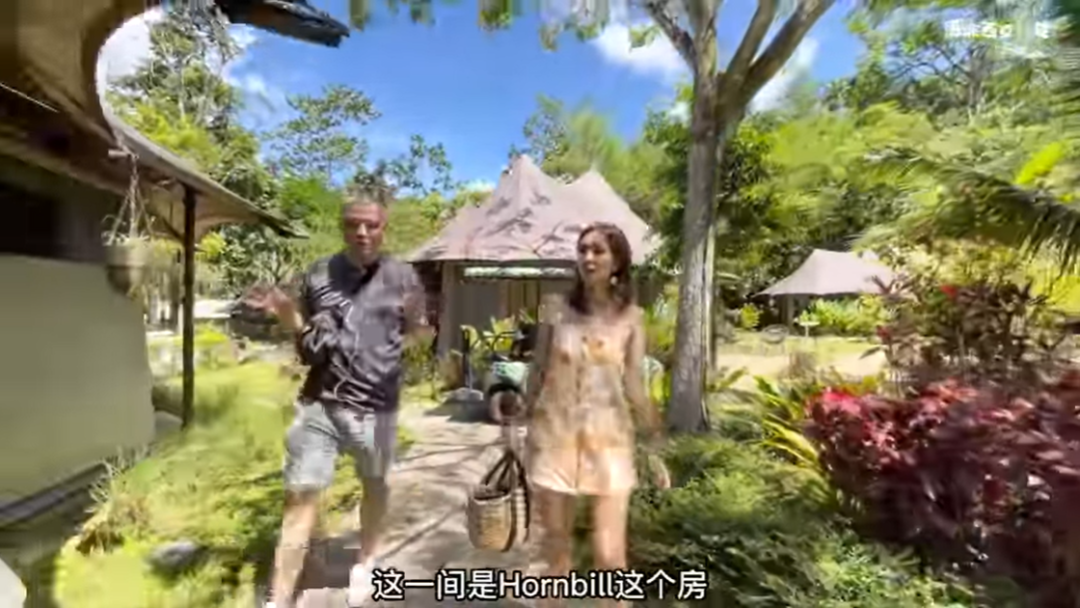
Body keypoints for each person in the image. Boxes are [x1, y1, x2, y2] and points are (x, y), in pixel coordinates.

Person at [246, 192, 429, 608]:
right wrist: (287, 314)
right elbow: (304, 335)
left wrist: (393, 350)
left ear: (383, 228)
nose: (362, 232)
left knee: (375, 486)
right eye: (352, 224)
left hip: (376, 407)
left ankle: (366, 563)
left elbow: (421, 330)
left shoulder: (404, 277)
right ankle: (279, 598)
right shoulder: (318, 274)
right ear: (342, 227)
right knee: (299, 498)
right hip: (320, 404)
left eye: (371, 224)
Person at [523, 222, 670, 608]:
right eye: (583, 250)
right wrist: (518, 421)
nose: (588, 257)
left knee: (610, 555)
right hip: (555, 438)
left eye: (598, 250)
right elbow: (538, 370)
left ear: (617, 261)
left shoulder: (633, 318)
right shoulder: (554, 309)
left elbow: (635, 383)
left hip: (610, 443)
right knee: (556, 552)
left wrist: (655, 442)